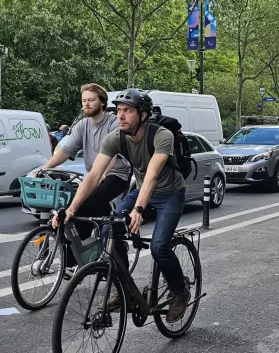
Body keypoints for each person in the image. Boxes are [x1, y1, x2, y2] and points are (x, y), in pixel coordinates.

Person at [57, 89, 190, 322]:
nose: (120, 116)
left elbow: (152, 174)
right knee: (110, 230)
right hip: (141, 190)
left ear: (144, 115)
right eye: (118, 111)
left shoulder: (162, 136)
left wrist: (138, 209)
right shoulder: (115, 138)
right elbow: (93, 176)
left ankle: (180, 291)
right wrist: (71, 209)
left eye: (127, 111)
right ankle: (125, 288)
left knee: (159, 247)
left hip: (169, 193)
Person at [42, 84, 130, 240]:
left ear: (102, 102)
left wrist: (102, 174)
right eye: (83, 101)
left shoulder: (113, 124)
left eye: (91, 100)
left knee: (88, 202)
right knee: (69, 205)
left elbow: (112, 154)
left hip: (115, 174)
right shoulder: (82, 125)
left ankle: (89, 241)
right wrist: (45, 168)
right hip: (92, 175)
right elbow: (65, 151)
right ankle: (77, 250)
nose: (86, 104)